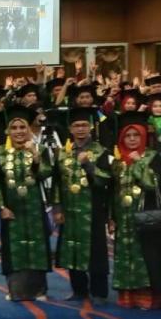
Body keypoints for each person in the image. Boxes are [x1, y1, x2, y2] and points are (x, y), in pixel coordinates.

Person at [0, 106, 52, 301]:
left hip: (35, 207)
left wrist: (35, 155)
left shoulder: (40, 150)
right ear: (8, 131)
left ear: (29, 129)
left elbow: (45, 174)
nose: (18, 131)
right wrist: (2, 207)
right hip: (11, 209)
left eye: (22, 127)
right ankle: (16, 290)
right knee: (13, 248)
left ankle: (39, 290)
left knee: (37, 247)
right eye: (14, 128)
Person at [52, 107, 112, 304]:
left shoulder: (101, 151)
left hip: (93, 209)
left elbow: (106, 180)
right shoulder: (63, 154)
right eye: (76, 125)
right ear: (70, 129)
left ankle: (99, 292)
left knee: (97, 251)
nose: (80, 129)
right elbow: (57, 183)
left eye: (84, 125)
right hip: (70, 210)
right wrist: (57, 208)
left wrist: (89, 165)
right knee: (72, 248)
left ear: (91, 127)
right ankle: (79, 290)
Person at [110, 112, 161, 310]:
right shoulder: (118, 162)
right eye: (128, 136)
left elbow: (153, 184)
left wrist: (139, 162)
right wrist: (112, 217)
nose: (132, 139)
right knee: (125, 253)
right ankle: (129, 294)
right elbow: (114, 191)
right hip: (124, 218)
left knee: (148, 255)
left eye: (136, 135)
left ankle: (151, 296)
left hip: (147, 217)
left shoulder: (155, 157)